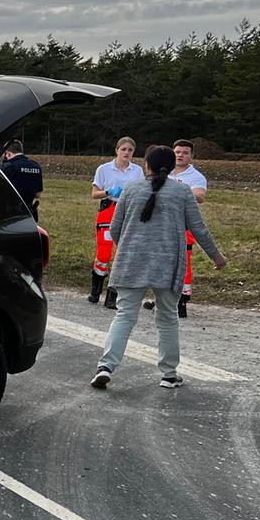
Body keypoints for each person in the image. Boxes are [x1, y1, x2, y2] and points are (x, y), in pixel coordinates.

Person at [90, 145, 226, 390]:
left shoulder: (131, 189)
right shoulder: (182, 192)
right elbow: (199, 229)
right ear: (173, 167)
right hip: (168, 263)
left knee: (124, 315)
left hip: (132, 261)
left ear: (147, 166)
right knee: (167, 318)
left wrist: (128, 249)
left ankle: (106, 366)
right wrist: (217, 258)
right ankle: (169, 374)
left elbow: (115, 227)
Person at [145, 138, 209, 317]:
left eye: (185, 153)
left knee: (183, 261)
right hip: (161, 223)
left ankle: (182, 299)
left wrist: (180, 191)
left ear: (192, 156)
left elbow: (200, 196)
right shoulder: (164, 171)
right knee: (160, 260)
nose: (180, 156)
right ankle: (160, 298)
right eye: (177, 152)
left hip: (182, 223)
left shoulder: (195, 177)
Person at [88, 136, 146, 307]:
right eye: (124, 149)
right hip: (108, 209)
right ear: (117, 150)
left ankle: (112, 297)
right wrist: (108, 191)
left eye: (130, 150)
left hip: (128, 211)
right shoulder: (104, 169)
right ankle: (95, 291)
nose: (126, 153)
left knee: (121, 253)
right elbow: (94, 193)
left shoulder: (137, 171)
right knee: (104, 252)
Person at [0, 139, 43, 220]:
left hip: (10, 213)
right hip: (29, 213)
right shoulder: (36, 166)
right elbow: (38, 194)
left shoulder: (8, 167)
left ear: (7, 153)